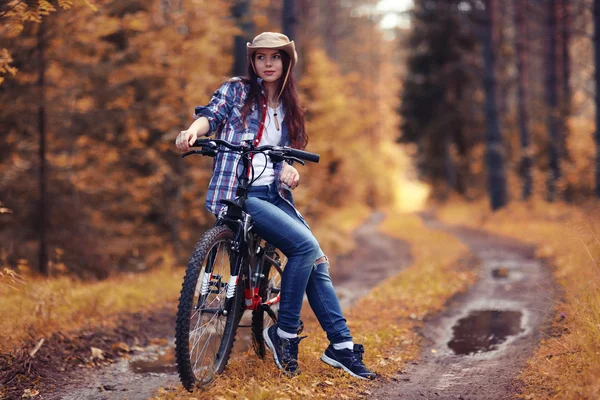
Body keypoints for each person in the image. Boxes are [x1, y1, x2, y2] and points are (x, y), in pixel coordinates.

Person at [175, 32, 375, 380]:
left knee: (316, 261)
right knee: (304, 247)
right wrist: (192, 131)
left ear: (286, 62)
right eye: (261, 57)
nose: (268, 64)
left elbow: (290, 152)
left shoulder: (290, 104)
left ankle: (341, 347)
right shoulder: (236, 90)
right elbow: (211, 115)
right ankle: (284, 335)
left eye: (275, 57)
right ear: (252, 62)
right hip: (241, 195)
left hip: (274, 196)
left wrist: (289, 169)